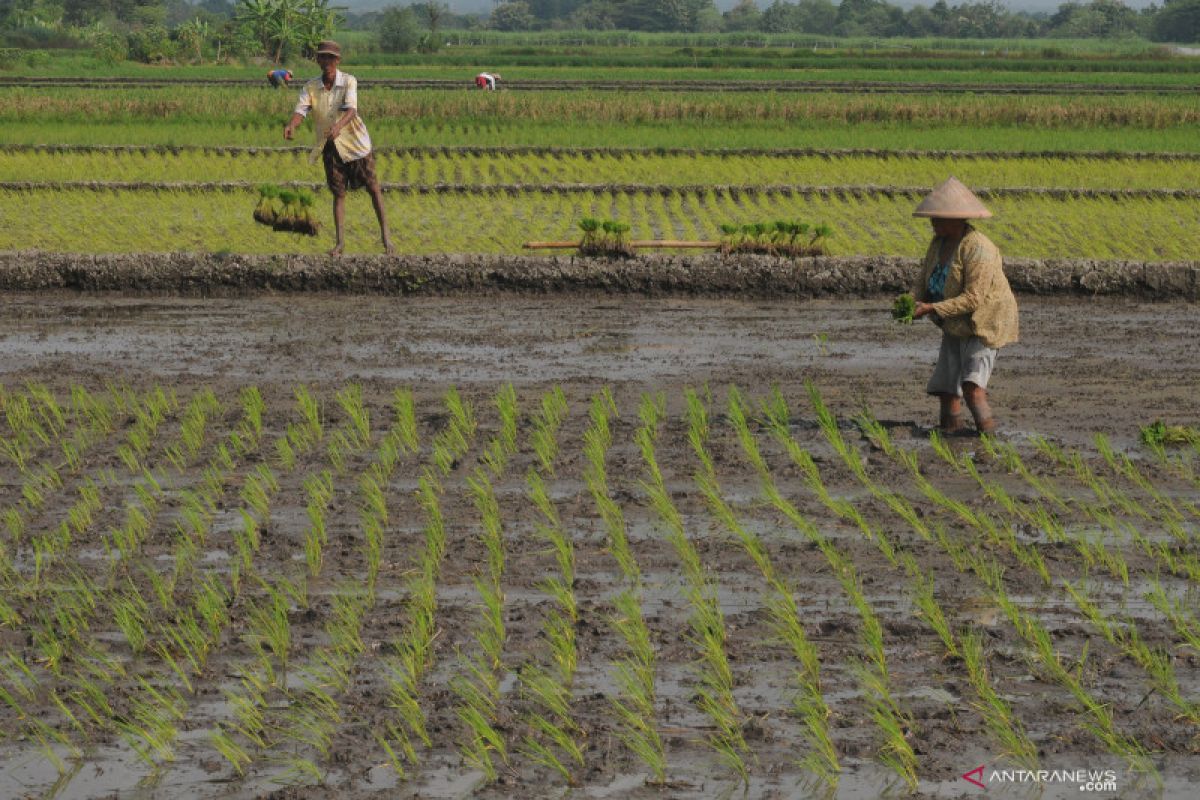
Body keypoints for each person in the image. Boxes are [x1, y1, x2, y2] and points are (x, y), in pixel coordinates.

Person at [910, 177, 1019, 435]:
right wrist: (911, 300)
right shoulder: (938, 243)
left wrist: (931, 308)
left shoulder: (978, 248)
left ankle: (988, 436)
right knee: (947, 388)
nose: (932, 222)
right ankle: (951, 436)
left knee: (972, 388)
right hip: (955, 321)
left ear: (956, 219)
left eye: (937, 218)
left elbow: (974, 298)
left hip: (984, 322)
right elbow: (922, 278)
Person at [283, 40, 394, 256]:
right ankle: (340, 244)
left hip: (356, 145)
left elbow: (351, 110)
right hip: (330, 147)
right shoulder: (310, 87)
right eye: (322, 57)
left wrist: (338, 127)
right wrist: (291, 125)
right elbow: (301, 111)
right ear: (318, 60)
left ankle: (386, 238)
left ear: (337, 60)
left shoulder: (348, 81)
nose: (326, 61)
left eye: (330, 58)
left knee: (373, 188)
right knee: (338, 194)